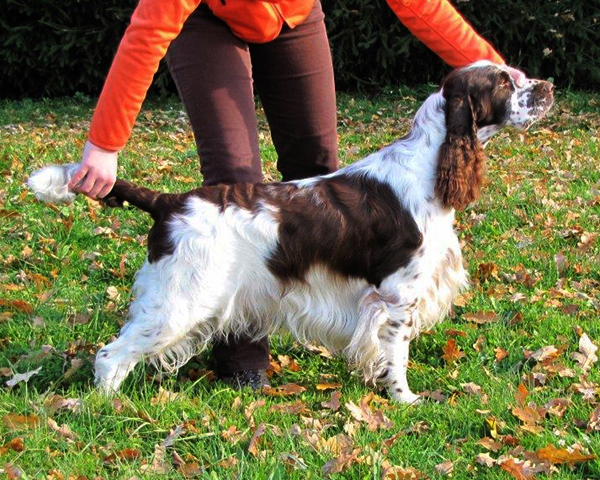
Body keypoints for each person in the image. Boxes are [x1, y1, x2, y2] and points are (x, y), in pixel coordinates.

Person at [68, 0, 520, 389]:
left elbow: (417, 3)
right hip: (207, 19)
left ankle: (351, 332)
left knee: (320, 171)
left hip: (293, 14)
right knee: (234, 179)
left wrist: (494, 71)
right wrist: (106, 142)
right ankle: (241, 360)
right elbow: (149, 27)